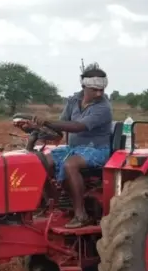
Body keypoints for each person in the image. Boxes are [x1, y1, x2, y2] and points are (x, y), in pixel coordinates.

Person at [32, 63, 113, 228]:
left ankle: (80, 214)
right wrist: (38, 128)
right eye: (94, 89)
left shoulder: (103, 108)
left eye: (101, 90)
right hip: (74, 149)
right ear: (84, 86)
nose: (98, 93)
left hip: (97, 149)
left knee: (71, 164)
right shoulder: (73, 101)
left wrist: (48, 121)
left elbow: (78, 126)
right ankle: (53, 205)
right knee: (40, 162)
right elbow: (61, 128)